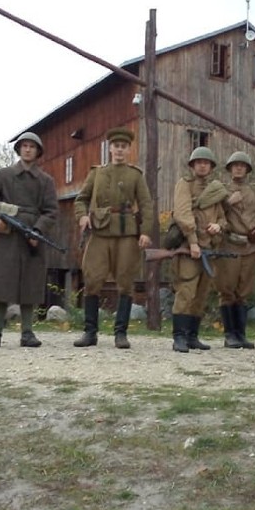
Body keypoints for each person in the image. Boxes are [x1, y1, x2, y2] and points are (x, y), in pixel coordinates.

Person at [0, 131, 59, 349]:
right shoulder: (3, 175)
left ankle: (28, 333)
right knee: (0, 282)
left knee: (30, 283)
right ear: (19, 149)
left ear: (38, 151)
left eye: (32, 146)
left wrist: (38, 231)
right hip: (5, 234)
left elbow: (51, 211)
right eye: (24, 146)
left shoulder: (46, 181)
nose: (28, 149)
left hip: (32, 234)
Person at [73, 127, 154, 349]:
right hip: (99, 232)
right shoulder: (96, 173)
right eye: (116, 146)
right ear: (110, 148)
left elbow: (146, 205)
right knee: (92, 280)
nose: (119, 150)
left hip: (127, 235)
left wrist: (145, 231)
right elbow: (81, 199)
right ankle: (90, 332)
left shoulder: (135, 175)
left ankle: (121, 334)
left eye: (124, 146)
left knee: (125, 282)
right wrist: (82, 217)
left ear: (129, 149)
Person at [170, 146, 228, 353]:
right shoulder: (184, 185)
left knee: (201, 294)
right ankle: (179, 337)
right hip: (189, 248)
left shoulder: (216, 189)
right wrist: (193, 241)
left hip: (209, 248)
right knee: (186, 291)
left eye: (206, 162)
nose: (202, 165)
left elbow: (222, 216)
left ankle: (192, 336)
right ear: (193, 165)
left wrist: (219, 226)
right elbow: (182, 214)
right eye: (199, 162)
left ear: (211, 167)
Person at [215, 151, 255, 349]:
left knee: (244, 290)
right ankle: (229, 335)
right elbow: (214, 212)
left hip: (250, 246)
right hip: (229, 244)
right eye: (235, 165)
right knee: (226, 289)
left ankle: (241, 334)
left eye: (242, 165)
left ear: (247, 169)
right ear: (229, 169)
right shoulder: (221, 189)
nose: (238, 168)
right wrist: (228, 203)